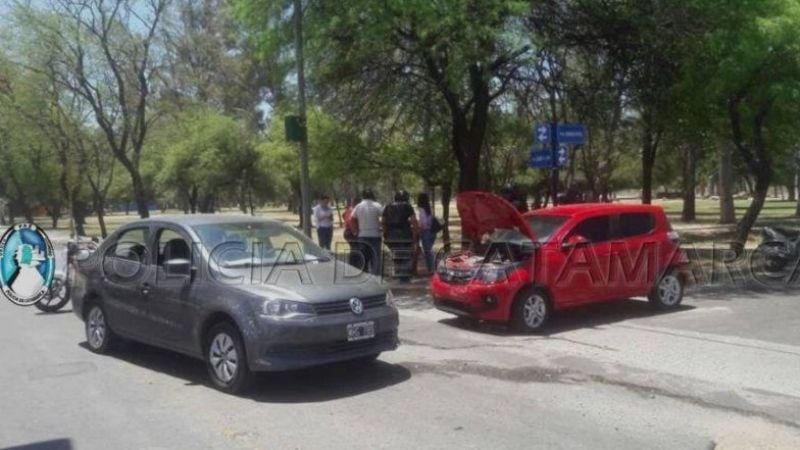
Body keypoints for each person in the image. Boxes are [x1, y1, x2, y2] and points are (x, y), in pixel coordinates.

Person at [382, 190, 418, 281]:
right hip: (404, 234)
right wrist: (415, 233)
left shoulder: (388, 206)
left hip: (391, 234)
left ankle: (398, 273)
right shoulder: (407, 206)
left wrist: (385, 233)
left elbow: (383, 221)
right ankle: (404, 276)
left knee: (396, 254)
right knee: (406, 255)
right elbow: (413, 220)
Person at [351, 189, 384, 276]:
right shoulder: (377, 205)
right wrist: (382, 228)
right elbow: (384, 217)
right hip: (375, 235)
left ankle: (364, 275)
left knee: (364, 257)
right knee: (375, 257)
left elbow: (352, 218)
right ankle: (376, 276)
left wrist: (355, 230)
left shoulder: (358, 206)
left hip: (363, 235)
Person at [416, 193, 436, 274]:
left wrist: (419, 228)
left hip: (426, 232)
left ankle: (432, 269)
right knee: (429, 251)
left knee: (428, 252)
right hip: (432, 231)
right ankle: (431, 268)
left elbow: (423, 223)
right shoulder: (430, 208)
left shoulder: (421, 209)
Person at [342, 197, 361, 267]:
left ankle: (355, 263)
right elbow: (350, 221)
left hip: (348, 231)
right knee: (355, 248)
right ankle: (353, 264)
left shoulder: (349, 210)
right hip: (351, 232)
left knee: (355, 248)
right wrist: (355, 231)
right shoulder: (353, 210)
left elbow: (343, 215)